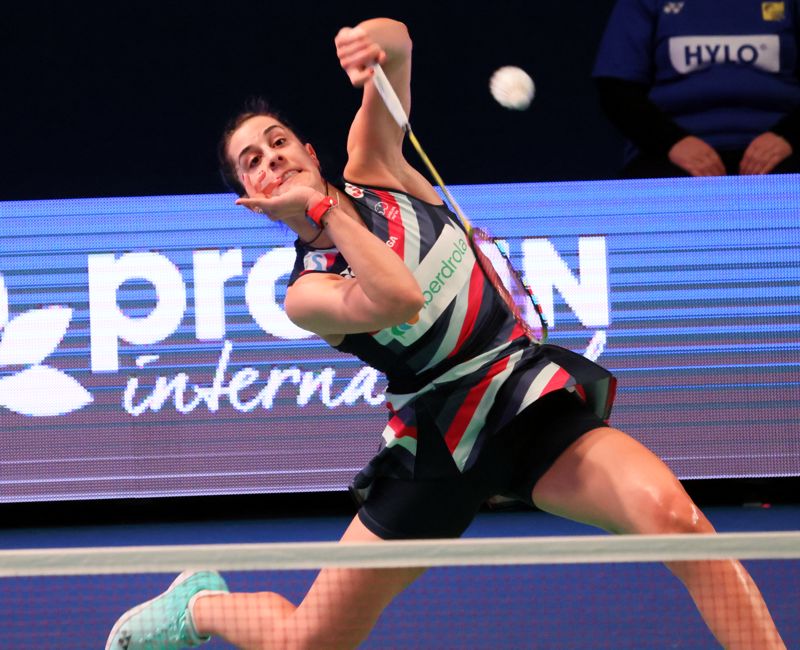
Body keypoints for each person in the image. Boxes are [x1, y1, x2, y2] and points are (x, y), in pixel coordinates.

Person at [106, 18, 787, 650]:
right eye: (251, 161)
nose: (270, 158)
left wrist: (370, 43)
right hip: (438, 445)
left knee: (681, 525)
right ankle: (201, 604)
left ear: (308, 150)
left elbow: (399, 46)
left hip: (522, 397)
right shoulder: (305, 294)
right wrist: (321, 210)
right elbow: (398, 298)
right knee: (308, 641)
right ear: (251, 197)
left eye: (278, 141)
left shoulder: (375, 165)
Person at [594, 0, 800, 178]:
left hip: (781, 150)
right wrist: (673, 143)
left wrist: (787, 137)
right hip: (669, 153)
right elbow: (617, 89)